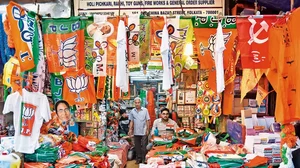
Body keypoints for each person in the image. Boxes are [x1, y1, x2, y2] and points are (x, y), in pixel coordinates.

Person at [128, 97, 150, 164]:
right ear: (134, 103)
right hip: (136, 131)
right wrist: (130, 130)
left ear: (141, 103)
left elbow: (147, 120)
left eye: (138, 102)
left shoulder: (145, 110)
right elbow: (131, 121)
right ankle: (138, 159)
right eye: (136, 103)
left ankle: (144, 159)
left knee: (144, 146)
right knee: (137, 146)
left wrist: (147, 129)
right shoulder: (132, 111)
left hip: (143, 131)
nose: (137, 104)